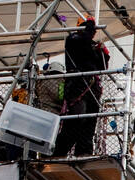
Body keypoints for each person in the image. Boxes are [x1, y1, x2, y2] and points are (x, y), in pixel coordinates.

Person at [53, 17, 109, 157]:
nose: (93, 32)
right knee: (76, 120)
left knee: (90, 121)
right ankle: (58, 153)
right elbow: (83, 41)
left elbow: (101, 66)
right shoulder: (74, 39)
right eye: (90, 29)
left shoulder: (91, 45)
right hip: (77, 84)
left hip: (92, 86)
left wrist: (103, 54)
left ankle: (83, 152)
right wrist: (89, 27)